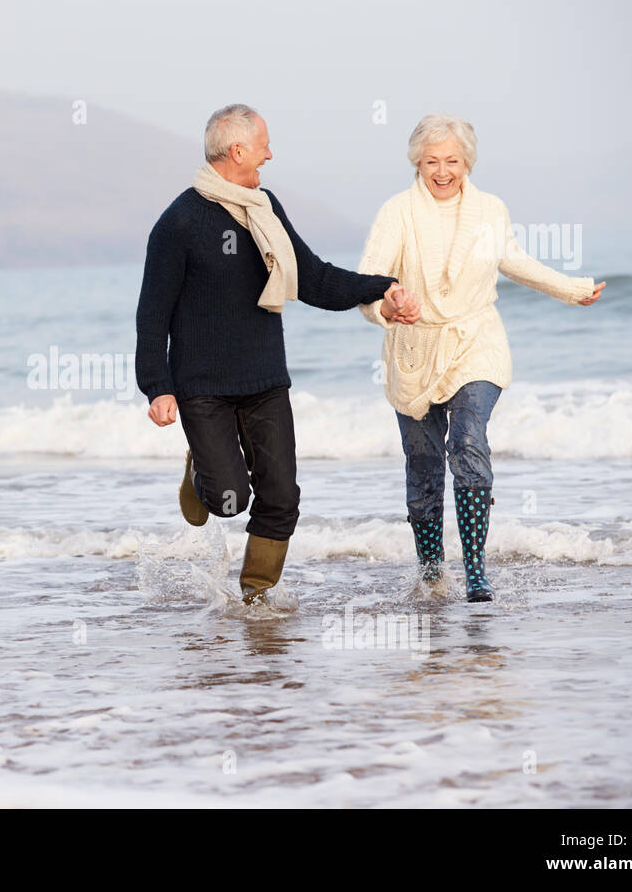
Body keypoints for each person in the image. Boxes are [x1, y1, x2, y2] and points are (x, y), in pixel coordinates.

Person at [136, 104, 419, 604]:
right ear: (238, 150)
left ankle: (255, 600)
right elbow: (152, 314)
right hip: (202, 387)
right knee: (229, 500)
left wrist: (382, 288)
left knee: (281, 498)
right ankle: (202, 468)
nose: (271, 152)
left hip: (265, 379)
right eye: (263, 143)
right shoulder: (178, 223)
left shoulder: (265, 208)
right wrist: (157, 387)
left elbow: (312, 277)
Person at [357, 113, 605, 602]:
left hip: (476, 341)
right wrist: (386, 303)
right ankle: (431, 574)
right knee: (423, 463)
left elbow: (514, 261)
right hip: (414, 349)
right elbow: (368, 277)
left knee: (468, 442)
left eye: (452, 160)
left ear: (467, 161)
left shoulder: (490, 210)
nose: (442, 170)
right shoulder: (397, 212)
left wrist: (571, 289)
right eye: (432, 161)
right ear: (417, 162)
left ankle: (475, 571)